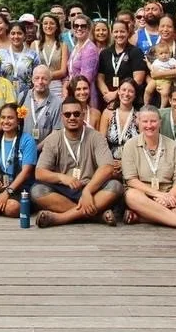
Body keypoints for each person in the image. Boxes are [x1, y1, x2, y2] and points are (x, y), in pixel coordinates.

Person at [32, 97, 124, 227]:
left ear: (83, 115)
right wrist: (62, 177)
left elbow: (107, 168)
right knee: (37, 191)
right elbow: (39, 173)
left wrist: (88, 191)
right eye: (67, 114)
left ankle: (62, 218)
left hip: (92, 189)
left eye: (76, 114)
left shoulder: (96, 137)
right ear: (62, 116)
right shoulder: (53, 139)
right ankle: (96, 217)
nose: (72, 117)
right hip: (64, 191)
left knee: (115, 186)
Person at [122, 106, 176, 232]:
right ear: (138, 122)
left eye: (153, 121)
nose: (149, 125)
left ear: (160, 122)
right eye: (145, 121)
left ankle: (144, 217)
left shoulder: (173, 146)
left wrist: (168, 196)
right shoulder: (130, 146)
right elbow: (131, 180)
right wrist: (158, 195)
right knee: (131, 196)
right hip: (144, 195)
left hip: (169, 195)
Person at [0, 103, 36, 217]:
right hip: (2, 184)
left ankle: (6, 204)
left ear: (18, 120)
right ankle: (0, 204)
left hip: (20, 186)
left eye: (10, 118)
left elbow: (26, 172)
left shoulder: (27, 140)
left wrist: (7, 193)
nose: (6, 121)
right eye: (3, 117)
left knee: (11, 208)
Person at [144, 15, 176, 107]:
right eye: (162, 26)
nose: (165, 29)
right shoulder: (153, 49)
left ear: (175, 29)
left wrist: (159, 74)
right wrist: (155, 84)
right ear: (158, 29)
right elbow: (147, 72)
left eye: (169, 26)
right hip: (155, 94)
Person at [69, 19, 106, 109]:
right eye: (76, 26)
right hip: (74, 91)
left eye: (83, 26)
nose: (79, 28)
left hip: (84, 94)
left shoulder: (90, 49)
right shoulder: (76, 47)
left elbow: (86, 78)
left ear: (89, 29)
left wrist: (70, 89)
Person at [0, 21, 40, 94]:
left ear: (24, 35)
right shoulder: (0, 54)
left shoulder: (33, 55)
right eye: (13, 33)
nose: (16, 36)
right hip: (4, 94)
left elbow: (37, 77)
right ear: (8, 36)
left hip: (27, 95)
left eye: (19, 33)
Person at [99, 79, 139, 158]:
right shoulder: (107, 113)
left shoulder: (139, 116)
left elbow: (142, 147)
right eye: (123, 90)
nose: (126, 94)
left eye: (131, 91)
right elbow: (101, 143)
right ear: (118, 91)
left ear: (135, 95)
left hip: (132, 162)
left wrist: (124, 164)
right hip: (110, 162)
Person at [22, 65, 62, 143]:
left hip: (46, 150)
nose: (40, 82)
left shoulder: (57, 103)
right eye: (37, 78)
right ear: (32, 79)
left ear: (50, 81)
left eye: (44, 79)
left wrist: (37, 149)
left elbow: (56, 133)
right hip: (23, 148)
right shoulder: (22, 97)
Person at [33, 14, 68, 98]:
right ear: (41, 26)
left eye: (52, 23)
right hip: (39, 85)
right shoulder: (34, 44)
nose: (48, 26)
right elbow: (32, 69)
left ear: (56, 27)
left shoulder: (63, 46)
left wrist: (45, 77)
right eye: (45, 23)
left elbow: (63, 71)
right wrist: (42, 79)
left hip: (56, 87)